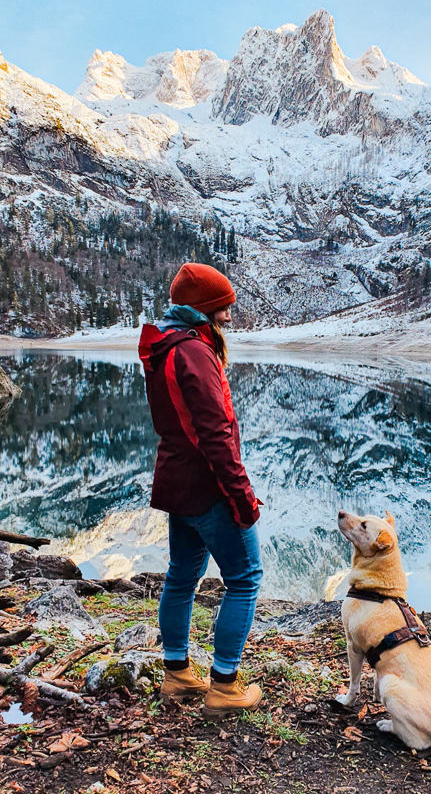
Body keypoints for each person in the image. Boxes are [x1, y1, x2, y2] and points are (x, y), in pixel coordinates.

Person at [138, 262, 263, 717]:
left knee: (181, 576)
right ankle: (225, 685)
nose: (229, 315)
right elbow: (215, 434)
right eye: (223, 307)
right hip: (209, 487)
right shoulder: (194, 352)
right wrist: (242, 496)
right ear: (204, 310)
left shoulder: (167, 345)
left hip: (177, 482)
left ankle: (176, 674)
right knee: (245, 580)